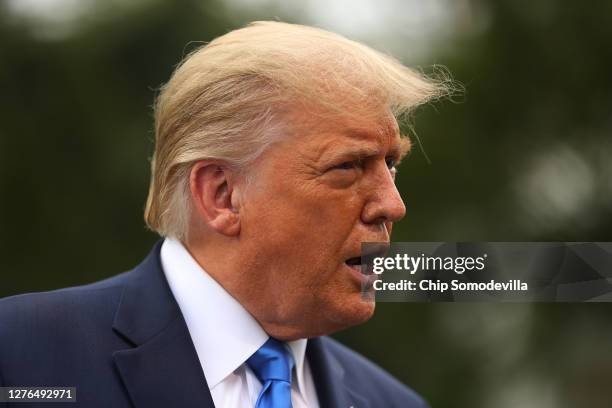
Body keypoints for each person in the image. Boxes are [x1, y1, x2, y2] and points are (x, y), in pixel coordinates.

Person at [0, 21, 447, 407]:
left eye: (391, 165)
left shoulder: (394, 402)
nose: (393, 204)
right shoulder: (19, 356)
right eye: (348, 166)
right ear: (222, 194)